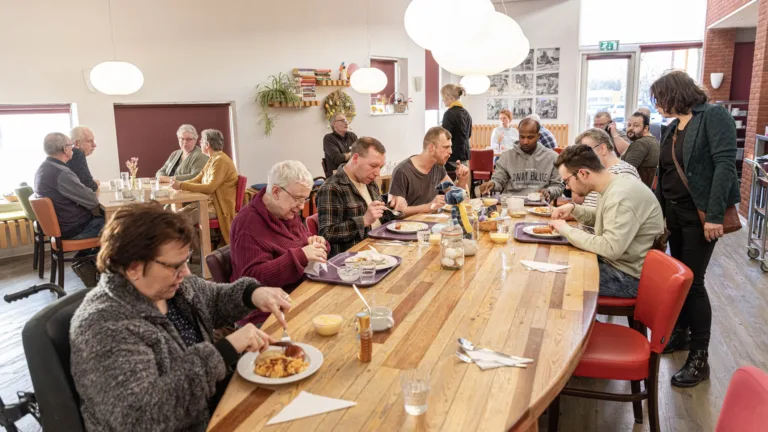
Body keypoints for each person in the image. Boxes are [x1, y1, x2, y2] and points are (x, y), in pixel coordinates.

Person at [70, 204, 292, 431]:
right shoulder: (103, 328)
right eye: (175, 266)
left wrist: (252, 294)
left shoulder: (171, 287)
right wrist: (224, 351)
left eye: (186, 261)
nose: (185, 273)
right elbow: (144, 418)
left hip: (216, 408)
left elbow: (215, 299)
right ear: (133, 268)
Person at [651, 70, 741, 388]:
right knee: (682, 278)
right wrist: (658, 214)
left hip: (699, 215)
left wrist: (715, 215)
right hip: (674, 214)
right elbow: (664, 173)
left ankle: (699, 357)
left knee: (694, 283)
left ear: (675, 94)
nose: (657, 105)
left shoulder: (713, 116)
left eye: (660, 98)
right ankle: (682, 334)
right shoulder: (674, 126)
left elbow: (725, 165)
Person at [549, 145, 664, 298]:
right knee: (558, 264)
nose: (568, 187)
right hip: (620, 265)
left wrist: (566, 230)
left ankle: (581, 320)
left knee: (554, 280)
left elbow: (610, 248)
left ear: (583, 173)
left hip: (628, 277)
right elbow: (606, 217)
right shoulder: (615, 183)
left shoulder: (621, 196)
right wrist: (574, 208)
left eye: (567, 181)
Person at [230, 160, 328, 291]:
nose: (302, 206)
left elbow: (303, 242)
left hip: (302, 289)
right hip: (270, 306)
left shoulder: (286, 212)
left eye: (305, 199)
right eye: (297, 199)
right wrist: (301, 256)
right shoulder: (248, 224)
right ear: (276, 192)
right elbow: (251, 280)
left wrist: (318, 243)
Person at [316, 137, 401, 256]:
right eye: (373, 165)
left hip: (380, 248)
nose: (377, 173)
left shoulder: (369, 182)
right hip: (354, 260)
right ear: (355, 158)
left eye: (380, 167)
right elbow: (327, 234)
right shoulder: (332, 187)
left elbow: (380, 217)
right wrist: (363, 221)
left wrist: (394, 205)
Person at [171, 129, 238, 244]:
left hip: (218, 208)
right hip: (208, 204)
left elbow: (209, 187)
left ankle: (181, 253)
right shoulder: (213, 159)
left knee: (177, 221)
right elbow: (198, 179)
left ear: (207, 145)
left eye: (201, 141)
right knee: (175, 216)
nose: (199, 143)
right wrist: (178, 184)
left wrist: (181, 185)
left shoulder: (220, 161)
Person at [34, 132, 104, 240]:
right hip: (75, 229)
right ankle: (99, 256)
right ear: (65, 149)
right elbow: (93, 200)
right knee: (118, 223)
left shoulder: (42, 169)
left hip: (62, 227)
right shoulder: (62, 173)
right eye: (71, 145)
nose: (73, 148)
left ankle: (89, 256)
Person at [388, 126, 470, 216]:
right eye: (446, 147)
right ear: (431, 147)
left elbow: (455, 197)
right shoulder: (402, 171)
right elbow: (396, 213)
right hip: (407, 227)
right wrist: (428, 207)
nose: (450, 151)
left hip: (429, 224)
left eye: (450, 147)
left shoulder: (438, 167)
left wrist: (462, 180)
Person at [478, 118, 564, 201]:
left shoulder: (552, 157)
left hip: (539, 207)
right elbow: (498, 181)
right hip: (511, 204)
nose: (525, 141)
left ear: (538, 136)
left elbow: (558, 186)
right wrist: (492, 184)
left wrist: (549, 191)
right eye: (522, 137)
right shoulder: (506, 157)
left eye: (530, 137)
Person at [571, 128, 639, 209]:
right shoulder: (598, 172)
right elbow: (578, 202)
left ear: (602, 149)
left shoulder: (622, 173)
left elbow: (614, 215)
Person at [440, 84, 472, 177]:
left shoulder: (448, 114)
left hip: (452, 157)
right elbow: (468, 134)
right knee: (463, 184)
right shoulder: (466, 113)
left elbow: (445, 138)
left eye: (443, 98)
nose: (442, 100)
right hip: (465, 156)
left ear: (448, 97)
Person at [622, 111, 660, 188]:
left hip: (633, 190)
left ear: (646, 128)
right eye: (629, 125)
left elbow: (626, 172)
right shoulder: (652, 141)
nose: (631, 128)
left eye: (636, 125)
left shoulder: (640, 144)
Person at [323, 114, 358, 178]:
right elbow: (337, 158)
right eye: (343, 121)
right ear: (334, 124)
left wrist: (347, 155)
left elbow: (361, 153)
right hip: (337, 176)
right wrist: (352, 154)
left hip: (353, 173)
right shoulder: (329, 138)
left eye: (347, 120)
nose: (346, 123)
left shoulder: (352, 136)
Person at [67, 126, 99, 191]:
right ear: (77, 143)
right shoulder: (77, 154)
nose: (94, 145)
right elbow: (90, 186)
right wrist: (95, 183)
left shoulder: (71, 154)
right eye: (90, 141)